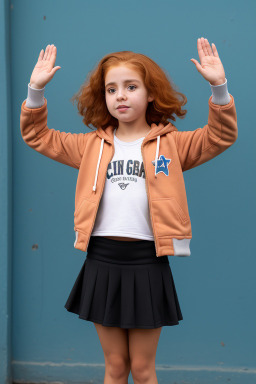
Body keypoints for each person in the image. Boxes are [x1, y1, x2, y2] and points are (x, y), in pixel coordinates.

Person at [20, 38, 238, 384]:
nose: (120, 95)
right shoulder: (89, 146)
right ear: (103, 97)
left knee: (143, 369)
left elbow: (221, 135)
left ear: (150, 93)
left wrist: (218, 86)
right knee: (116, 367)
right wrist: (35, 90)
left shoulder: (172, 145)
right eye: (111, 89)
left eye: (130, 86)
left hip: (146, 262)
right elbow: (36, 135)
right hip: (102, 261)